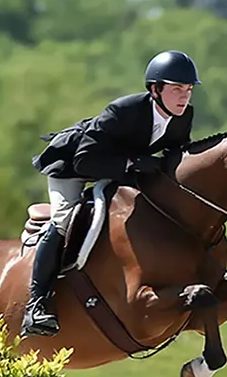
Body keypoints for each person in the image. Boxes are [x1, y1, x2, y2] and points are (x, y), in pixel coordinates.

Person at [22, 49, 199, 337]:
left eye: (189, 89)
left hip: (116, 170)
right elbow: (84, 160)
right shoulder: (123, 110)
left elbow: (175, 154)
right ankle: (36, 305)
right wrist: (131, 163)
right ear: (155, 90)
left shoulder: (183, 116)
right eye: (177, 88)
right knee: (63, 221)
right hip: (74, 165)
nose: (184, 96)